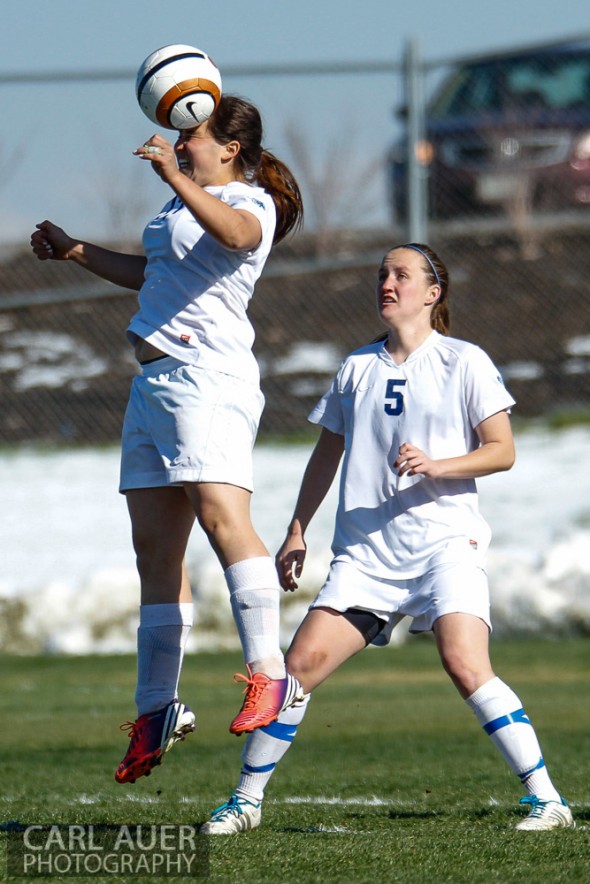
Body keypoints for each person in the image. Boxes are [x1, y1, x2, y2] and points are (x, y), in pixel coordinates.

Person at [200, 242, 574, 835]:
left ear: (433, 293)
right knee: (298, 668)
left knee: (464, 662)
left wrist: (437, 464)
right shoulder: (357, 368)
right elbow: (326, 457)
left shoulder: (464, 361)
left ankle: (547, 800)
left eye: (402, 274)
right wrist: (297, 530)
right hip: (368, 556)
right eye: (382, 274)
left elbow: (502, 451)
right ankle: (245, 802)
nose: (387, 283)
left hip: (445, 544)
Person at [30, 94, 305, 785]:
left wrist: (174, 178)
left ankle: (271, 676)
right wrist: (75, 252)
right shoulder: (181, 205)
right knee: (155, 550)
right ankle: (155, 710)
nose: (179, 145)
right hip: (153, 386)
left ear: (230, 149)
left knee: (222, 518)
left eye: (192, 137)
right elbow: (151, 273)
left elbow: (238, 237)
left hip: (206, 380)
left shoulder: (250, 201)